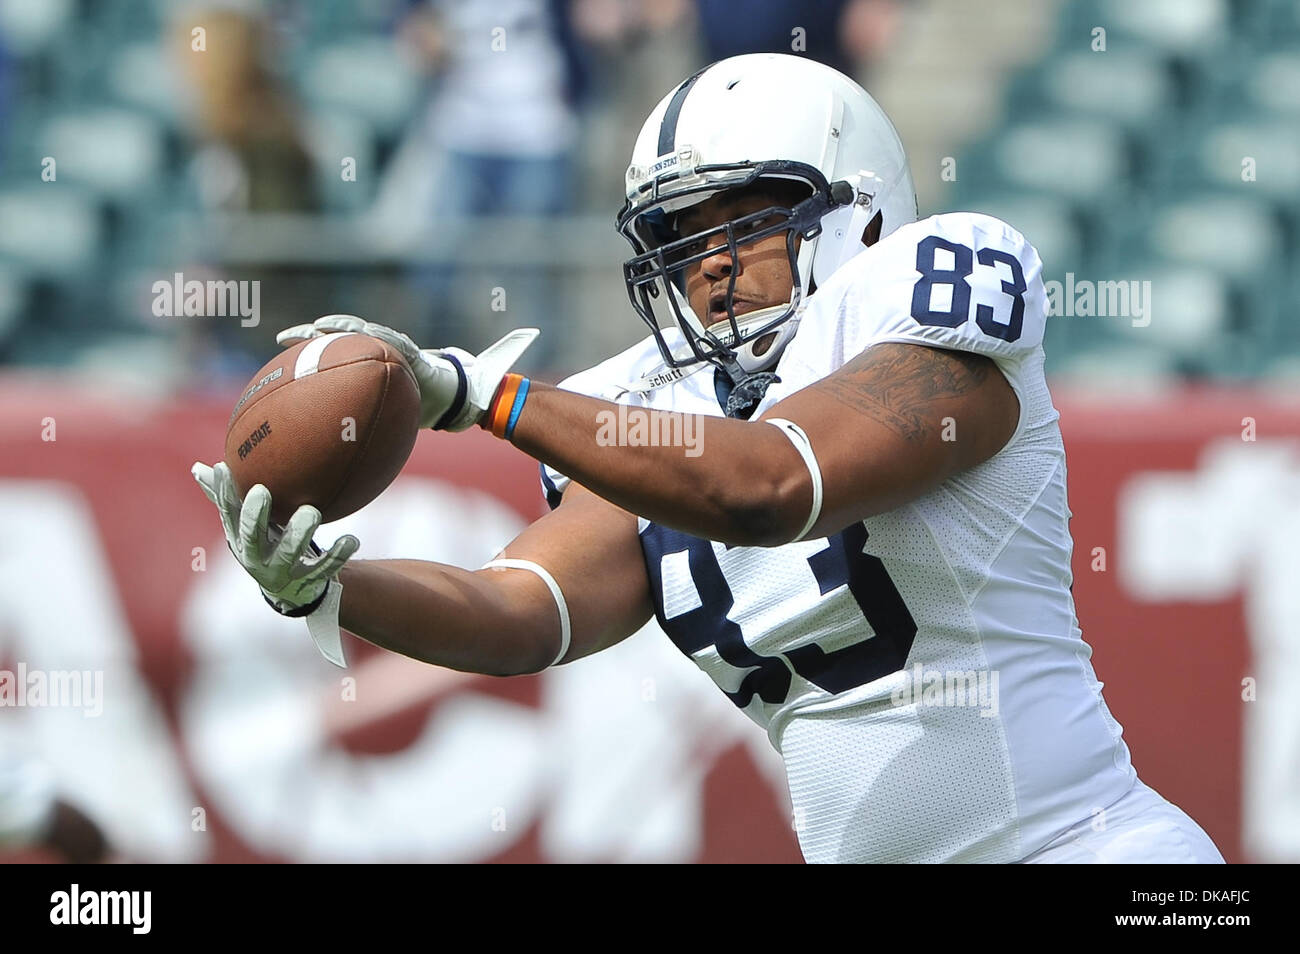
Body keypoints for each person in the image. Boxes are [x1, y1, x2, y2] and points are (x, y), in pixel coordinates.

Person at [193, 53, 1223, 863]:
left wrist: (482, 394)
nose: (710, 263)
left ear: (855, 209)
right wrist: (325, 587)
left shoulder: (926, 291)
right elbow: (517, 611)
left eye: (744, 222)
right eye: (681, 235)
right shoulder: (644, 400)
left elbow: (771, 485)